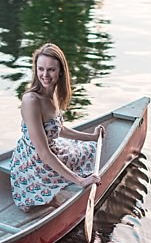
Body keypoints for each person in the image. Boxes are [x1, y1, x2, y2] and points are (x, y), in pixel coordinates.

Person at [9, 43, 104, 211]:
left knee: (90, 147)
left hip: (51, 150)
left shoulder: (52, 94)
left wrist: (92, 137)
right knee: (84, 157)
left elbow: (59, 129)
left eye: (51, 70)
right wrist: (80, 181)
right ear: (35, 69)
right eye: (40, 69)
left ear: (60, 71)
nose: (45, 75)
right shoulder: (31, 101)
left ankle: (60, 190)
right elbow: (43, 153)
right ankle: (47, 196)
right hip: (34, 162)